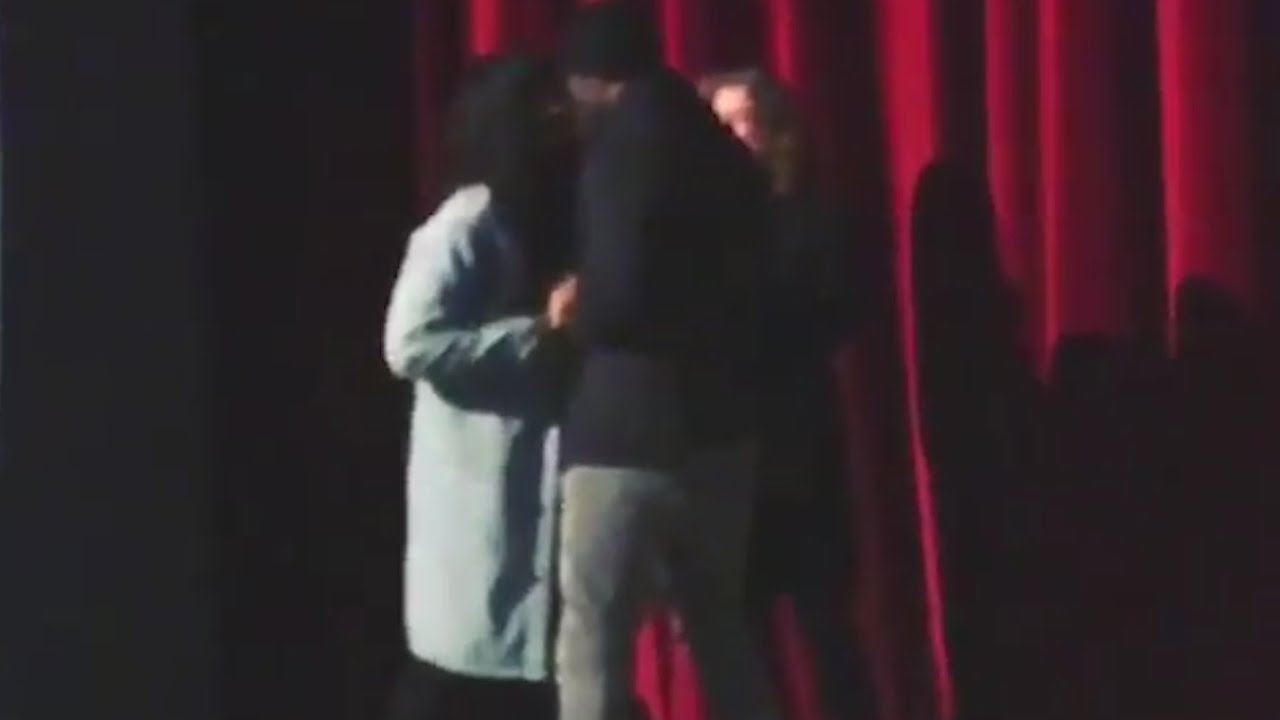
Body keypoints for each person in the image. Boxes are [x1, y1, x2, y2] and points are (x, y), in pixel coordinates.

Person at [553, 3, 783, 720]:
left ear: (594, 79)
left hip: (627, 433)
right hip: (721, 431)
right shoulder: (722, 152)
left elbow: (619, 294)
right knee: (720, 631)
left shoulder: (623, 147)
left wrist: (574, 308)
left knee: (594, 640)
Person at [381, 55, 579, 720]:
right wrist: (538, 333)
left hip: (543, 484)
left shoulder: (554, 218)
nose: (563, 118)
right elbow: (410, 342)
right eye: (544, 106)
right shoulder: (466, 223)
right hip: (479, 484)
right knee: (458, 673)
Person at [701, 68, 878, 720]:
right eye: (714, 125)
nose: (724, 138)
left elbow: (836, 312)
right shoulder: (702, 230)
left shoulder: (817, 219)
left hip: (799, 454)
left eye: (737, 122)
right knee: (737, 638)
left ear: (775, 132)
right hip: (726, 456)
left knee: (826, 627)